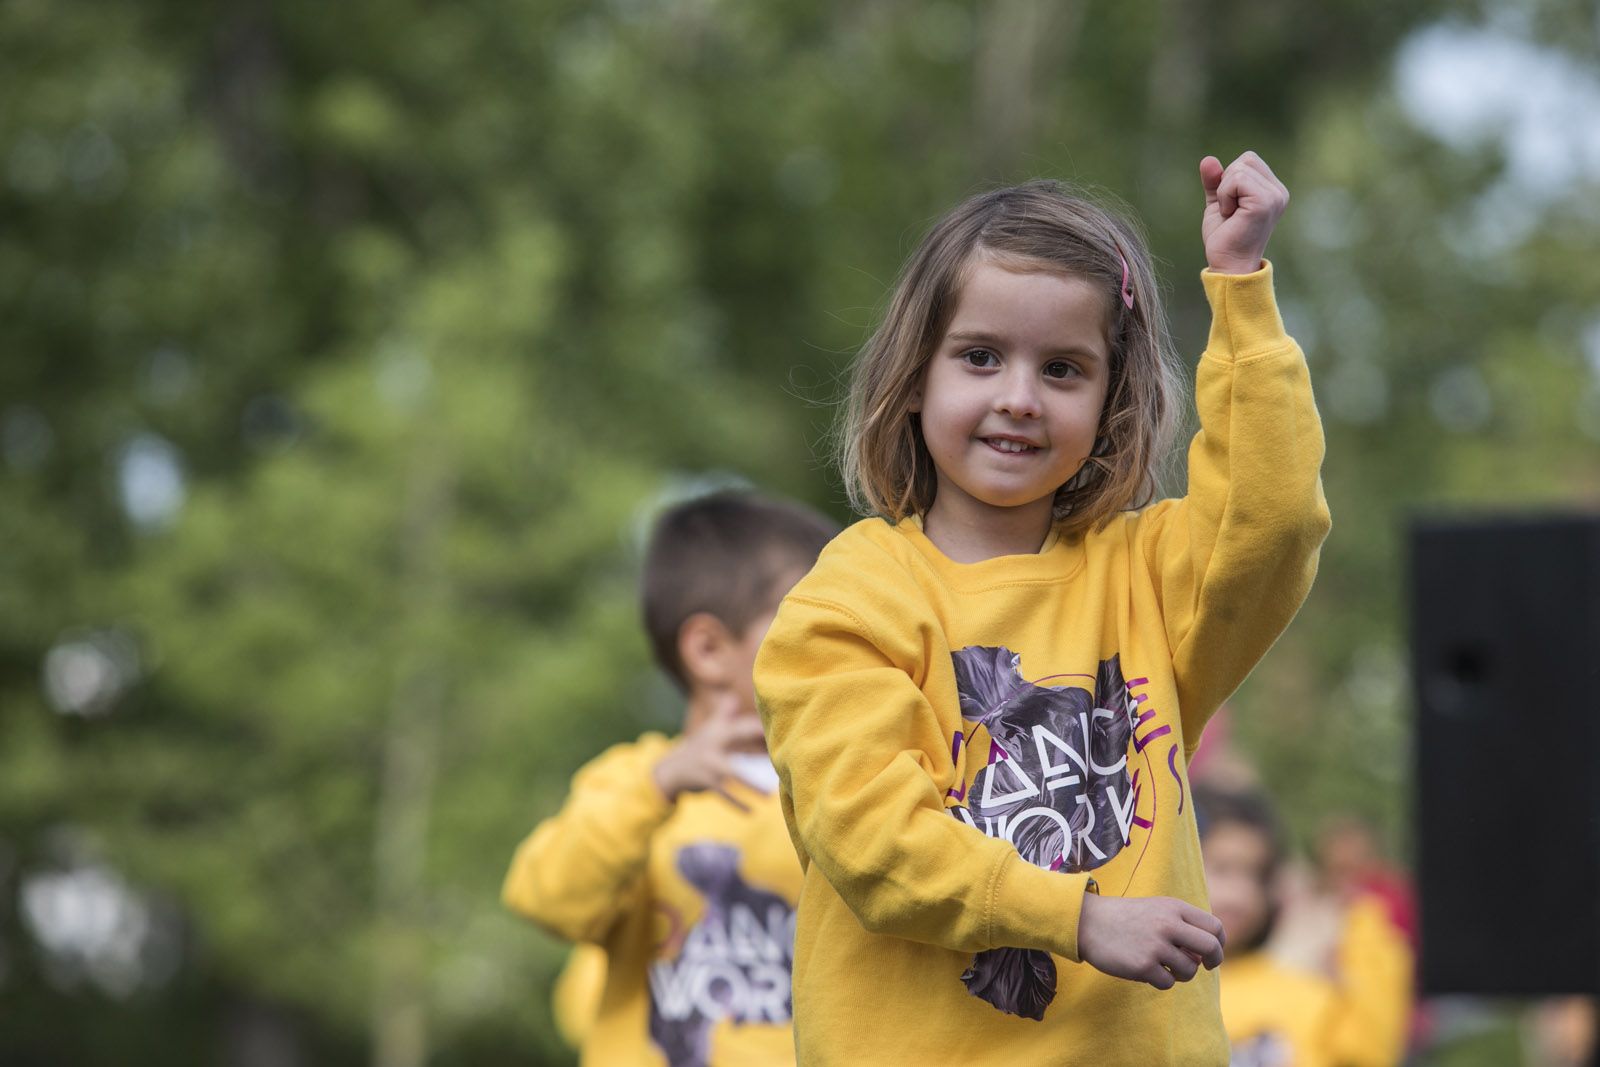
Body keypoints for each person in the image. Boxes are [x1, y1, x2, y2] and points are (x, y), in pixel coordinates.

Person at [754, 153, 1330, 1065]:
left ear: (1112, 400)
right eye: (980, 356)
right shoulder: (849, 597)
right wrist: (1082, 919)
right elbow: (874, 840)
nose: (1018, 398)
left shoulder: (1145, 573)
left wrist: (1239, 286)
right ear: (915, 376)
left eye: (1063, 368)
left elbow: (1274, 520)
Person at [503, 489, 839, 1067]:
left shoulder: (843, 791)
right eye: (809, 622)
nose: (841, 647)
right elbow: (546, 900)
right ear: (709, 650)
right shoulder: (636, 783)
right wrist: (657, 787)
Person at [1197, 784, 1411, 1067]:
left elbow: (1370, 1051)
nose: (1241, 896)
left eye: (1256, 875)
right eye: (1222, 869)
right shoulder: (1138, 982)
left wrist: (1363, 923)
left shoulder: (1303, 994)